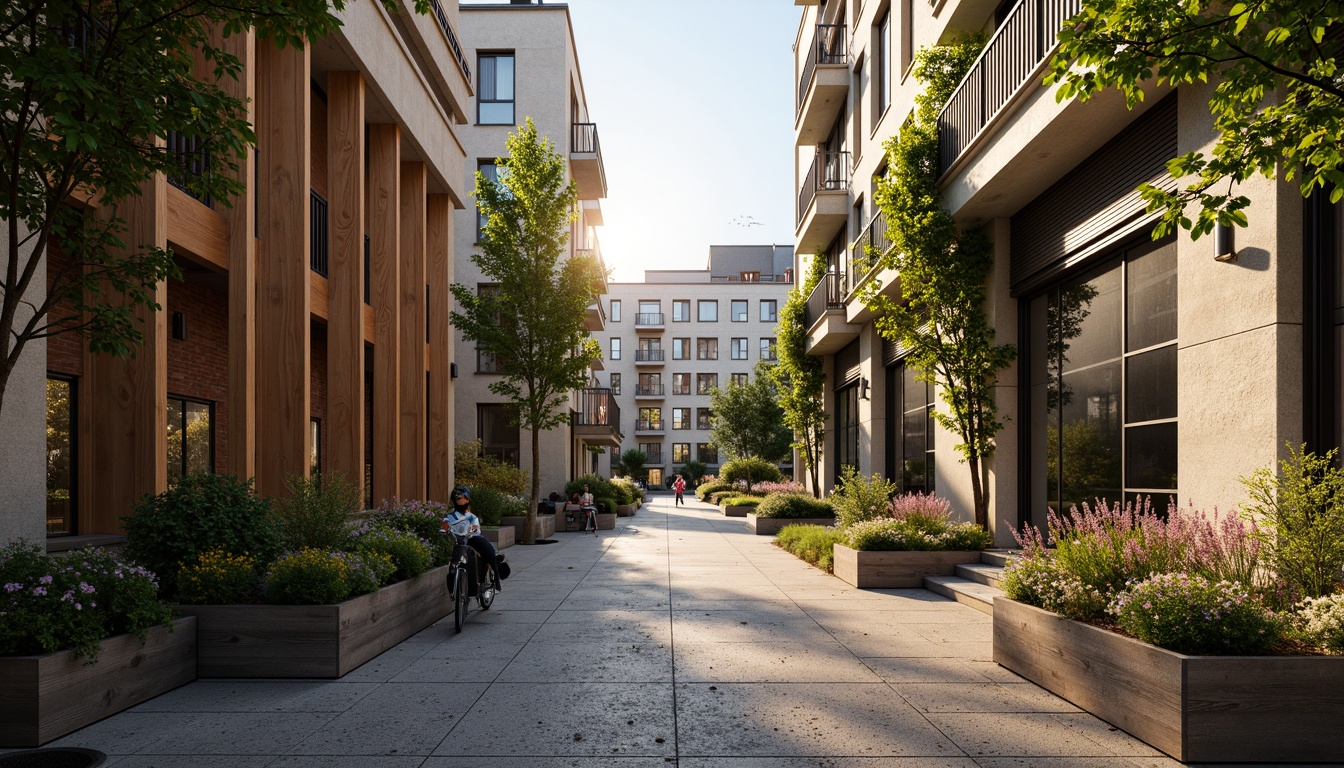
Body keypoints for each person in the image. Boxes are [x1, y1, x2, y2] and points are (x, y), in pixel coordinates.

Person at [442, 487, 503, 593]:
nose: (460, 501)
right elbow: (444, 526)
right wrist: (445, 530)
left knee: (489, 551)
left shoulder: (471, 517)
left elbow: (475, 527)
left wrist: (472, 530)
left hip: (471, 539)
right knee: (453, 566)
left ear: (468, 500)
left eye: (463, 498)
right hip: (456, 541)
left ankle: (496, 580)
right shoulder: (449, 517)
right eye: (457, 499)